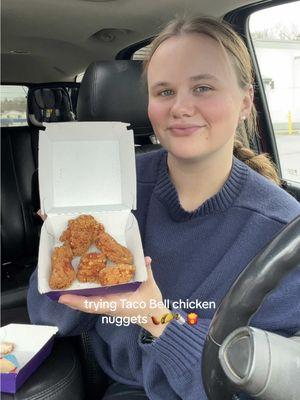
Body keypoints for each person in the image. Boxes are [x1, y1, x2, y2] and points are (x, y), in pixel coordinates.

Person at [27, 16, 300, 400]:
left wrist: (156, 317)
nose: (181, 107)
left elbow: (265, 381)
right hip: (125, 388)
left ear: (244, 102)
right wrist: (63, 250)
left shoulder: (282, 231)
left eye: (202, 87)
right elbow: (48, 318)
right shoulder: (108, 188)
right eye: (165, 92)